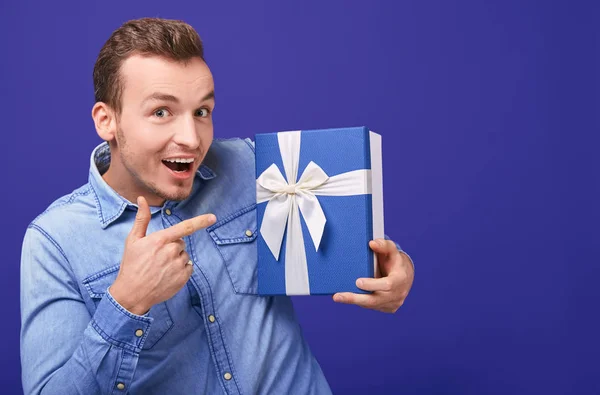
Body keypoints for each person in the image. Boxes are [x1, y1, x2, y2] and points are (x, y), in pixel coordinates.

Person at [20, 17, 415, 395]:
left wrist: (393, 267)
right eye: (162, 112)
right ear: (107, 121)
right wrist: (126, 302)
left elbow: (352, 238)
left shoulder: (251, 165)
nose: (191, 138)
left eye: (202, 112)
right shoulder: (53, 242)